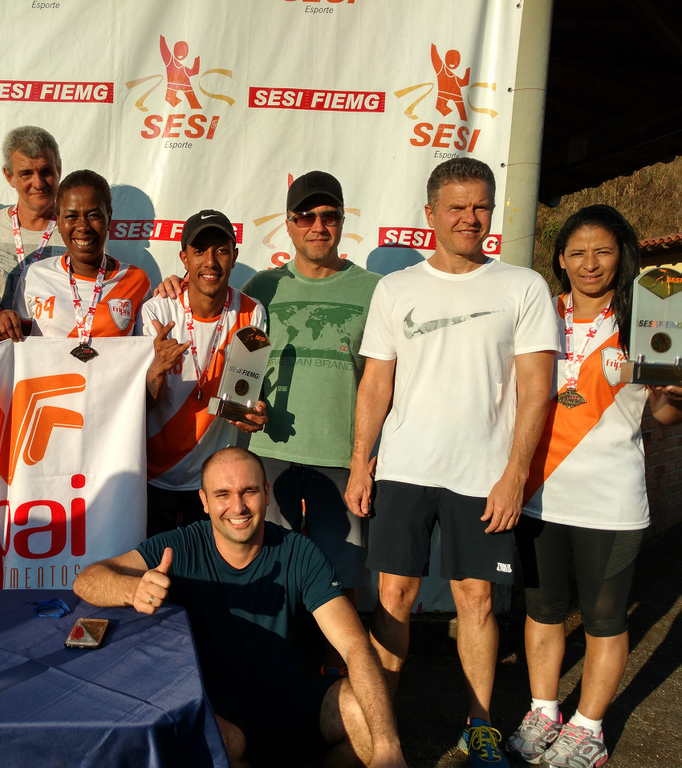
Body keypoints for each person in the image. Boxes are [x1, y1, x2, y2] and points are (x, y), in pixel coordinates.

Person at [344, 157, 560, 768]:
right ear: (431, 214)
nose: (470, 219)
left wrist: (514, 475)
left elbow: (535, 390)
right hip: (406, 469)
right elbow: (375, 388)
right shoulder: (397, 289)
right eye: (457, 208)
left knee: (476, 600)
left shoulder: (522, 287)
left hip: (483, 475)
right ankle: (381, 725)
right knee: (394, 596)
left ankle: (481, 724)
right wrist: (362, 465)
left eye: (481, 207)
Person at [74, 447, 406, 768]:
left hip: (290, 700)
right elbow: (87, 580)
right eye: (222, 494)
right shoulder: (180, 546)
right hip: (219, 710)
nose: (238, 506)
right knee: (204, 741)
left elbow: (355, 646)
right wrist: (133, 588)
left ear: (266, 492)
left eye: (248, 491)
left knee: (367, 719)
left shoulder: (299, 551)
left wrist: (389, 749)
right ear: (203, 501)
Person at [505, 205, 682, 768]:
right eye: (577, 252)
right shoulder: (539, 314)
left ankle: (589, 728)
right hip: (538, 495)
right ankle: (543, 709)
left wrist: (675, 391)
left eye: (603, 251)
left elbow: (665, 415)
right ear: (559, 259)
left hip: (611, 498)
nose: (590, 263)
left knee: (606, 619)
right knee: (543, 609)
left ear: (621, 255)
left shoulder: (647, 317)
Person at [241, 171, 380, 611]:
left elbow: (384, 382)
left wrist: (369, 457)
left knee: (342, 578)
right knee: (266, 570)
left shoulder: (375, 290)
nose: (318, 226)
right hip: (269, 454)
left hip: (342, 459)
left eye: (329, 215)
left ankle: (339, 669)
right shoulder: (260, 289)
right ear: (288, 223)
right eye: (305, 216)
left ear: (342, 221)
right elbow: (239, 368)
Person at [138, 209, 267, 536]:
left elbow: (244, 399)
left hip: (213, 481)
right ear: (184, 257)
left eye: (221, 250)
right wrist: (155, 370)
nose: (210, 261)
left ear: (235, 256)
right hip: (154, 476)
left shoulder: (252, 312)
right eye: (199, 251)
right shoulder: (158, 310)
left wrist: (252, 415)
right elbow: (140, 404)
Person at [0, 169, 151, 346]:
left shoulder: (136, 280)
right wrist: (4, 321)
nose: (83, 227)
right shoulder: (35, 275)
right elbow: (19, 347)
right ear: (59, 222)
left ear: (109, 217)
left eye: (93, 215)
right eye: (71, 216)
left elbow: (144, 352)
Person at [0, 126, 64, 308]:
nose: (38, 183)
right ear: (9, 176)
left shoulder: (79, 232)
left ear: (59, 169)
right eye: (26, 174)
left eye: (46, 171)